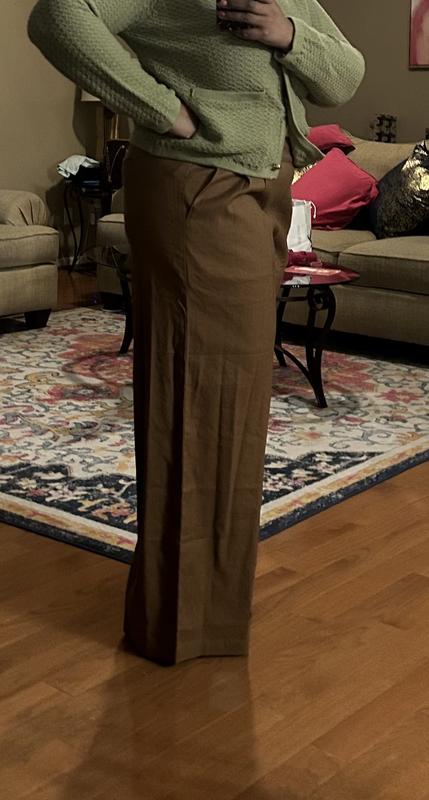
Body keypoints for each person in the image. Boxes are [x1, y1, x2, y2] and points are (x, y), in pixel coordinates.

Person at [28, 0, 365, 666]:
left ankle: (202, 613)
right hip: (199, 187)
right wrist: (161, 110)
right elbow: (58, 17)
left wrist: (288, 33)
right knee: (198, 392)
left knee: (231, 395)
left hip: (262, 189)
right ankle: (183, 622)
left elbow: (343, 76)